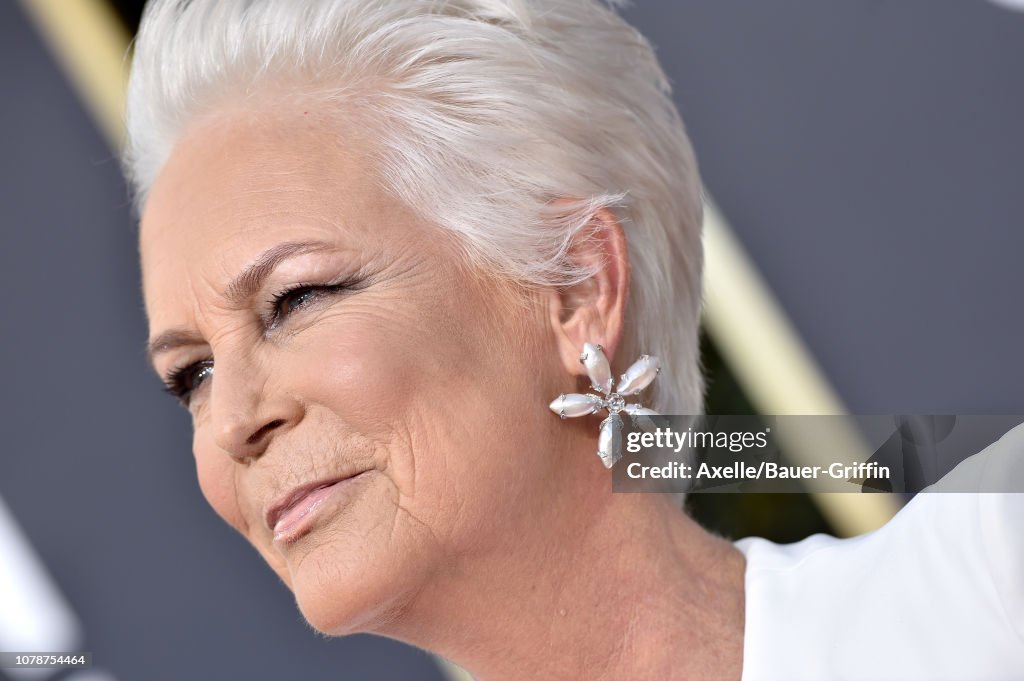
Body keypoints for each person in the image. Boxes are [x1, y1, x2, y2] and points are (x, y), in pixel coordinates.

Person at [123, 1, 1023, 679]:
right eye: (192, 373)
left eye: (295, 298)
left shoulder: (988, 574)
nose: (231, 420)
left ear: (576, 288)